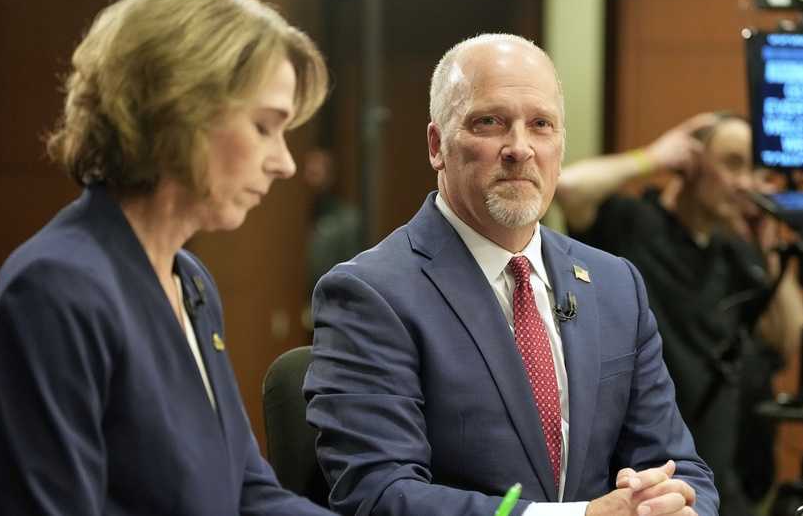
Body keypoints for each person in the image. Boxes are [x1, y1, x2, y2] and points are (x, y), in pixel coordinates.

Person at [0, 0, 337, 515]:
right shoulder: (54, 291)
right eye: (264, 127)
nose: (284, 162)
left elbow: (245, 491)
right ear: (179, 110)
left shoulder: (189, 280)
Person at [305, 34, 717, 516]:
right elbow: (378, 494)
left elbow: (684, 469)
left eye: (540, 125)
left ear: (560, 145)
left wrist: (675, 503)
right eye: (490, 122)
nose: (519, 148)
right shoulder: (371, 293)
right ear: (437, 145)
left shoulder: (615, 285)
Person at [555, 114, 803, 516]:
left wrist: (768, 248)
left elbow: (790, 336)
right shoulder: (634, 224)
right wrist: (653, 157)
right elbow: (569, 187)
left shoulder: (735, 251)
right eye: (732, 163)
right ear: (689, 161)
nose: (745, 182)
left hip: (722, 483)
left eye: (753, 168)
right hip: (647, 482)